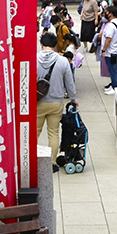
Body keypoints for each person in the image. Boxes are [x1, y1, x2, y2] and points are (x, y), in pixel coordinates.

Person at [35, 32, 75, 172]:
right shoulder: (63, 61)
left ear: (42, 45)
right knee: (53, 133)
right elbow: (70, 84)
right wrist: (73, 99)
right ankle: (51, 163)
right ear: (55, 45)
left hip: (37, 102)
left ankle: (32, 161)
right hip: (56, 103)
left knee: (34, 133)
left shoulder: (33, 59)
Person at [100, 6, 117, 95]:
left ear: (111, 14)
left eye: (107, 12)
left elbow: (108, 39)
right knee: (113, 70)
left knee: (113, 70)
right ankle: (114, 85)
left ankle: (115, 87)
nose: (105, 14)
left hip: (110, 52)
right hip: (114, 51)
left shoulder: (111, 26)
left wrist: (103, 50)